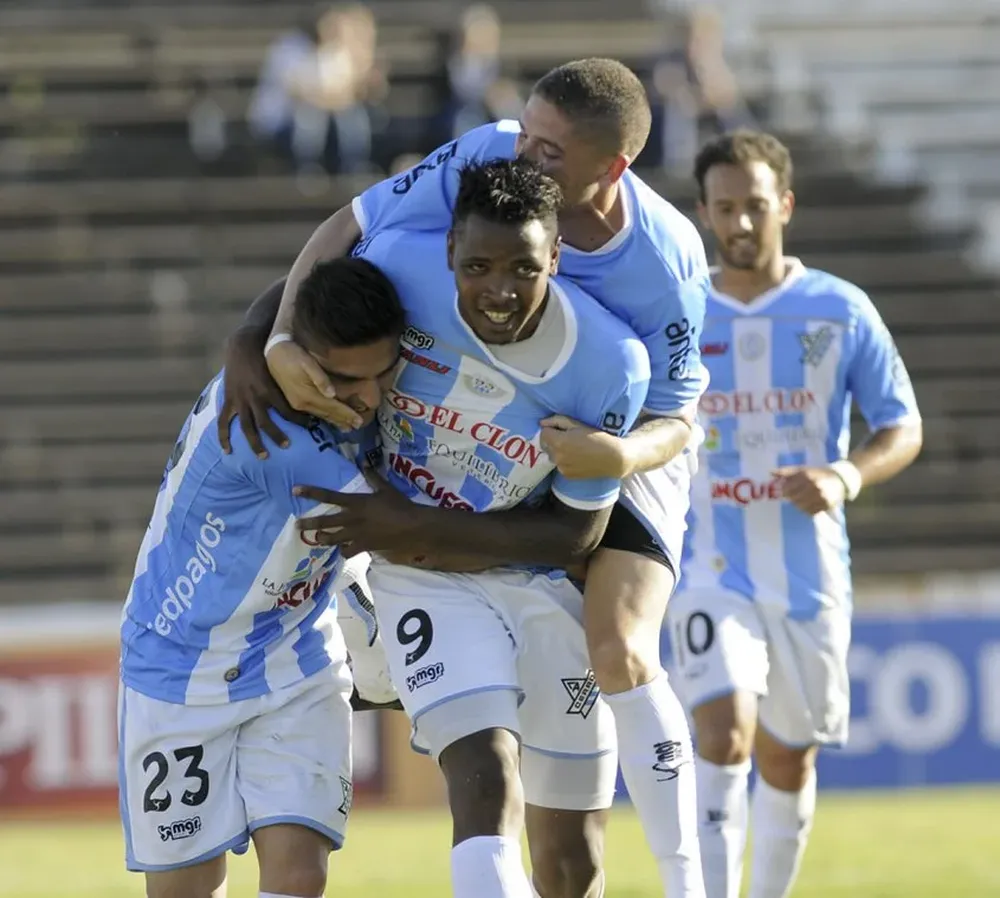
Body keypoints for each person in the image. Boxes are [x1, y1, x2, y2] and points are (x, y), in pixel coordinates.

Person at [221, 58, 710, 898]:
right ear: (454, 248)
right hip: (467, 499)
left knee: (620, 647)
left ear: (611, 169)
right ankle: (376, 630)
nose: (524, 154)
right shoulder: (487, 165)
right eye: (526, 131)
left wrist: (618, 457)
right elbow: (350, 225)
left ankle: (696, 885)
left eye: (551, 150)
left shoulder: (661, 275)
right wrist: (265, 338)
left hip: (621, 443)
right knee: (484, 782)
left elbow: (677, 419)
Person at [668, 130, 923, 898]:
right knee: (724, 734)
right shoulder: (679, 311)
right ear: (705, 214)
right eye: (724, 209)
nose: (740, 224)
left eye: (754, 206)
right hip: (706, 565)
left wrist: (845, 474)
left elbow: (901, 425)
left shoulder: (839, 311)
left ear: (784, 204)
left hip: (810, 575)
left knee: (789, 756)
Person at [117, 260, 404, 898]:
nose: (371, 399)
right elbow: (403, 531)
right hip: (177, 669)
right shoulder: (268, 434)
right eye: (347, 380)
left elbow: (305, 279)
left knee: (300, 875)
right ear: (298, 357)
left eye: (383, 373)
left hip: (296, 657)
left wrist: (250, 336)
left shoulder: (291, 369)